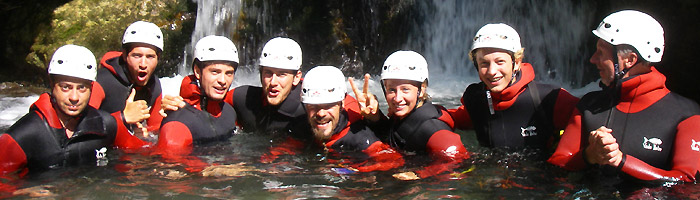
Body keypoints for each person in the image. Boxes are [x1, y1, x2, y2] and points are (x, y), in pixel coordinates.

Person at [548, 10, 700, 182]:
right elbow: (557, 164)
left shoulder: (686, 114)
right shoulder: (590, 105)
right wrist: (590, 155)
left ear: (629, 60)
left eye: (601, 53)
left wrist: (621, 161)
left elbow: (687, 182)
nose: (592, 59)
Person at [447, 23, 579, 150]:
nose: (492, 71)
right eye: (484, 64)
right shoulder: (476, 100)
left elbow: (589, 117)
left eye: (500, 62)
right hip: (492, 171)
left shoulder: (549, 98)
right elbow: (452, 118)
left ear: (516, 63)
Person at [350, 50, 470, 180]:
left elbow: (461, 162)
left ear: (422, 89)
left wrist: (419, 174)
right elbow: (395, 135)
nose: (397, 98)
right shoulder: (402, 116)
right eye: (391, 90)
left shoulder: (432, 127)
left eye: (405, 89)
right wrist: (375, 117)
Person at [0, 45, 118, 175]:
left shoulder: (107, 125)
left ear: (91, 87)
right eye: (65, 87)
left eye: (81, 88)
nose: (74, 97)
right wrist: (24, 192)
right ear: (51, 84)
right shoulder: (22, 135)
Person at [300, 66, 403, 172]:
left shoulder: (361, 140)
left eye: (328, 105)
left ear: (342, 103)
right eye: (313, 106)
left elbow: (395, 165)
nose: (321, 113)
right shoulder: (302, 124)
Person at [156, 35, 239, 152]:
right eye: (215, 72)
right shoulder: (178, 122)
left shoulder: (229, 112)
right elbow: (169, 166)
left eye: (229, 73)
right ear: (198, 71)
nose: (223, 80)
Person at [89, 21, 165, 149]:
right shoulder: (102, 82)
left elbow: (155, 129)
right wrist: (122, 118)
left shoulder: (154, 84)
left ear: (158, 58)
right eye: (137, 56)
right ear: (124, 55)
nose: (143, 64)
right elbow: (81, 126)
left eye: (150, 57)